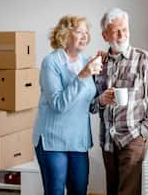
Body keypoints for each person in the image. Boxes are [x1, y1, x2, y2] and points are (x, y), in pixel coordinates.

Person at [90, 8, 148, 195]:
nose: (122, 35)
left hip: (133, 140)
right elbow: (90, 105)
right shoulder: (100, 63)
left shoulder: (144, 59)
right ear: (105, 35)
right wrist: (100, 100)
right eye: (116, 31)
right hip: (107, 141)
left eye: (125, 29)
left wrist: (143, 132)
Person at [32, 15, 102, 195]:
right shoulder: (51, 63)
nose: (85, 36)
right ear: (64, 34)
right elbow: (58, 104)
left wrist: (101, 100)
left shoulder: (87, 62)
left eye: (87, 32)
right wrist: (83, 76)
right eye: (80, 31)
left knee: (79, 190)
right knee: (55, 191)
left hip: (78, 141)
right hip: (53, 141)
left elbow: (84, 101)